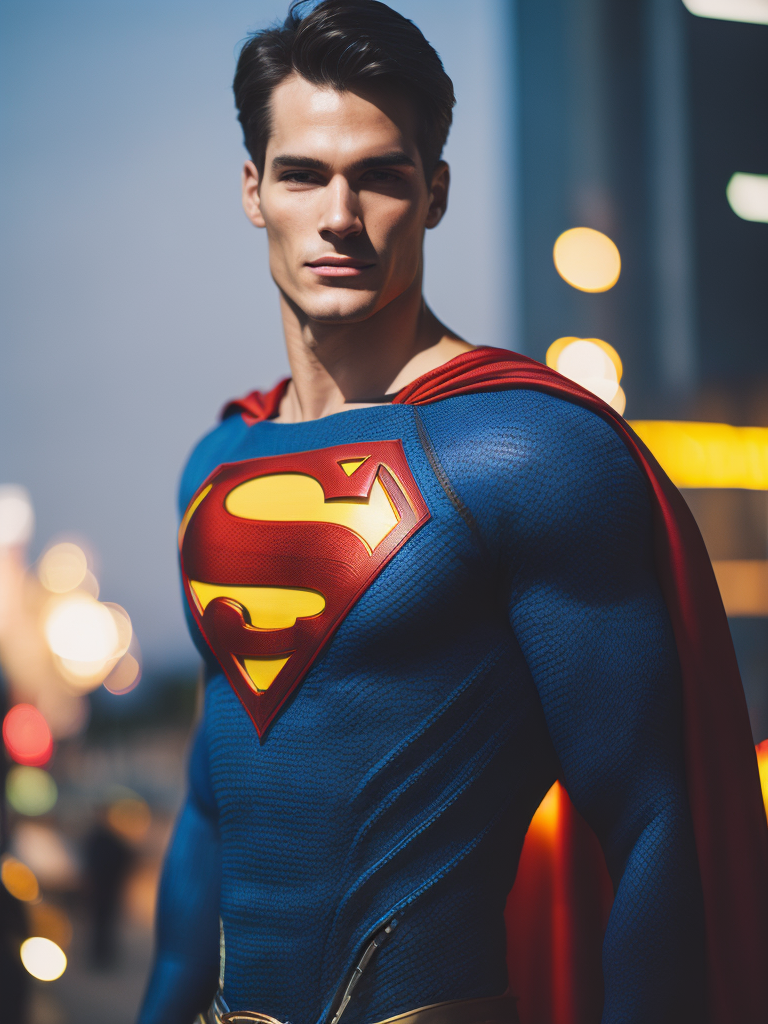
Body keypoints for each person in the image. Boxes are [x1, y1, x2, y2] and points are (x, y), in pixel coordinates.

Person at [138, 3, 768, 1023]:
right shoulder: (215, 467)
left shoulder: (527, 454)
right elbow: (213, 815)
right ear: (254, 191)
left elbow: (655, 825)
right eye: (302, 174)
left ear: (433, 192)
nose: (339, 215)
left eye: (380, 175)